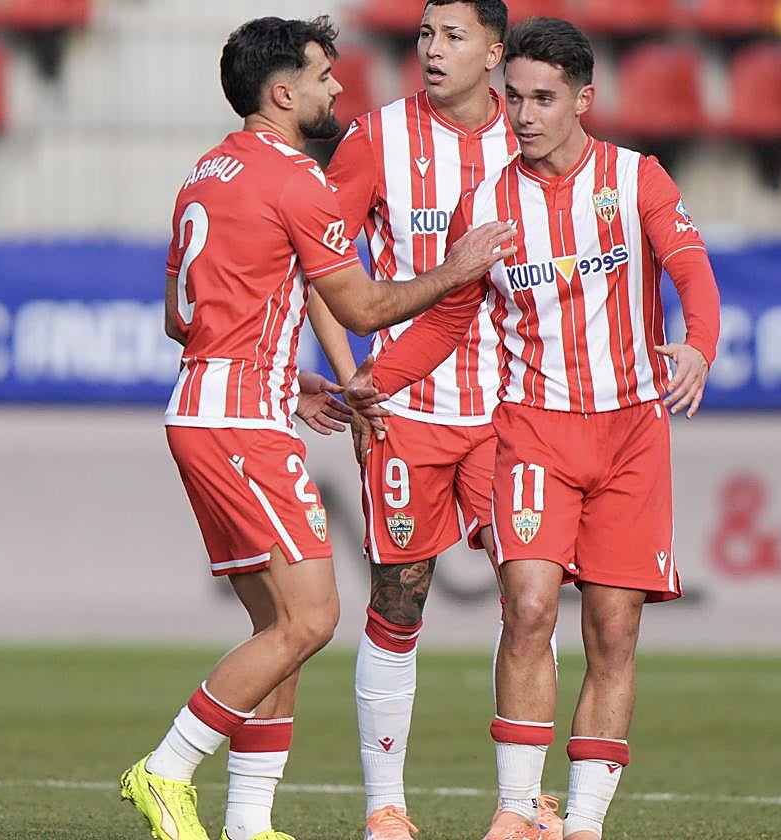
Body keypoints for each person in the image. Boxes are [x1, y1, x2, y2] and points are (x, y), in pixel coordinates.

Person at [118, 15, 516, 840]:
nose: (339, 87)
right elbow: (363, 307)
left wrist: (286, 375)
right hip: (240, 425)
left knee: (278, 631)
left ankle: (249, 821)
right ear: (282, 91)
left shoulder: (207, 171)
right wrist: (457, 269)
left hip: (210, 404)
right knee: (311, 620)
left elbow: (179, 318)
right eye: (323, 75)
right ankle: (167, 767)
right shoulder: (296, 179)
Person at [350, 17, 721, 840]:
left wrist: (698, 344)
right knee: (526, 605)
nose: (523, 115)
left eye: (543, 99)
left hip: (631, 435)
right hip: (533, 435)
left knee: (615, 629)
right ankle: (517, 811)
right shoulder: (486, 204)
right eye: (514, 97)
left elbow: (692, 269)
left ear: (583, 99)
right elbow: (450, 321)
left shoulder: (635, 178)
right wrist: (377, 381)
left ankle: (582, 821)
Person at [306, 3, 558, 838]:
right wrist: (355, 383)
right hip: (407, 410)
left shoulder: (530, 136)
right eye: (424, 35)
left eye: (453, 36)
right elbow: (322, 267)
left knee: (530, 599)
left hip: (515, 411)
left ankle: (522, 803)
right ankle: (385, 807)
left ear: (494, 51)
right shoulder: (376, 138)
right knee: (399, 603)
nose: (433, 50)